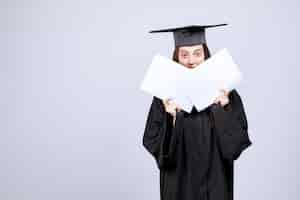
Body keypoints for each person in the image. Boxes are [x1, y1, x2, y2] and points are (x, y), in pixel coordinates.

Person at [142, 24, 252, 200]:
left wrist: (223, 110)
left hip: (215, 181)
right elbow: (151, 140)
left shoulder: (224, 91)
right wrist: (171, 120)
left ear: (205, 54)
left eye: (197, 53)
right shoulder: (164, 94)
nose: (191, 61)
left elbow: (237, 144)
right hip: (178, 182)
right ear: (176, 57)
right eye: (184, 55)